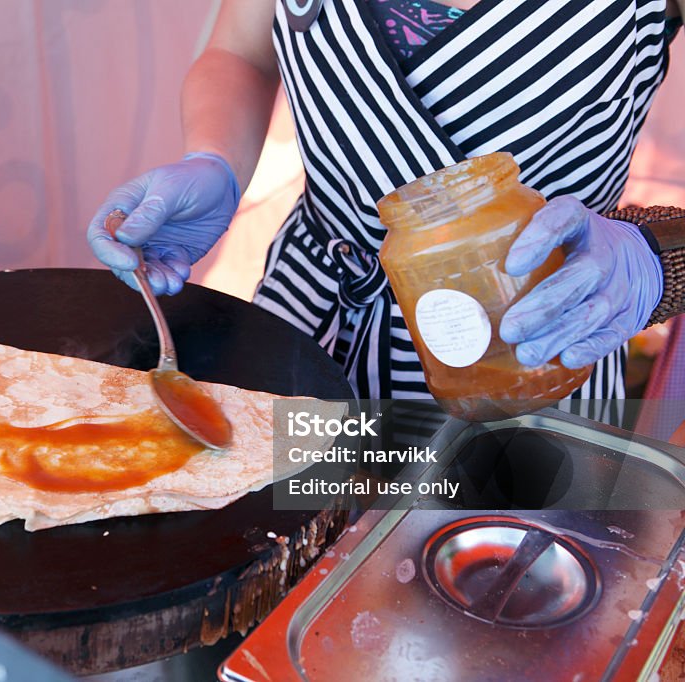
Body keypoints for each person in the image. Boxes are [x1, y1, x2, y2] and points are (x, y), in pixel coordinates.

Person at [87, 0, 685, 405]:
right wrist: (213, 157)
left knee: (483, 586)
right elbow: (241, 51)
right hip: (306, 321)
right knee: (285, 569)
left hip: (533, 355)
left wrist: (655, 260)